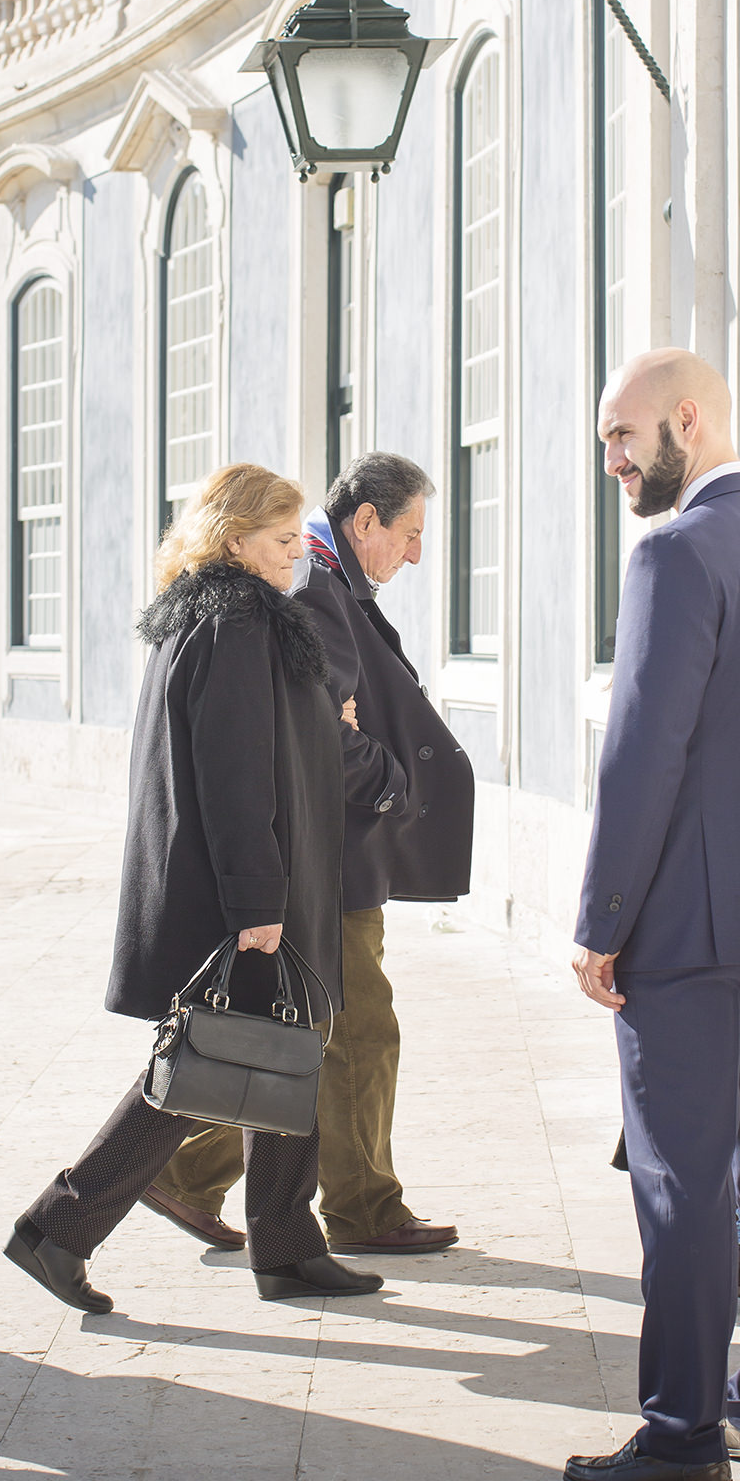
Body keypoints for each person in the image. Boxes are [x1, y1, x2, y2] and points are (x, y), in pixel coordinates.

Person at [562, 349, 740, 1481]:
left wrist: (602, 918)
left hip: (686, 919)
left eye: (624, 434)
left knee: (684, 1177)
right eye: (604, 445)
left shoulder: (675, 552)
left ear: (688, 416)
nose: (615, 460)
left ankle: (683, 1434)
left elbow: (644, 753)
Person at [5, 463, 382, 1310]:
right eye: (282, 539)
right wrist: (257, 906)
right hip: (249, 891)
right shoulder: (240, 618)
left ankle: (286, 1246)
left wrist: (326, 717)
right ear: (233, 539)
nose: (296, 555)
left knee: (283, 1050)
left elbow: (265, 737)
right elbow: (235, 769)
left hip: (251, 881)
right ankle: (57, 1228)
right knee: (211, 1067)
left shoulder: (207, 614)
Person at [148, 452, 472, 1256]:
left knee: (300, 1028)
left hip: (321, 853)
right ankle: (358, 1209)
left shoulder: (323, 579)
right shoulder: (320, 589)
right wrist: (391, 782)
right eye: (409, 535)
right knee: (354, 1032)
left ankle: (185, 1176)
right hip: (329, 854)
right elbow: (318, 731)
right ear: (366, 522)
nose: (416, 555)